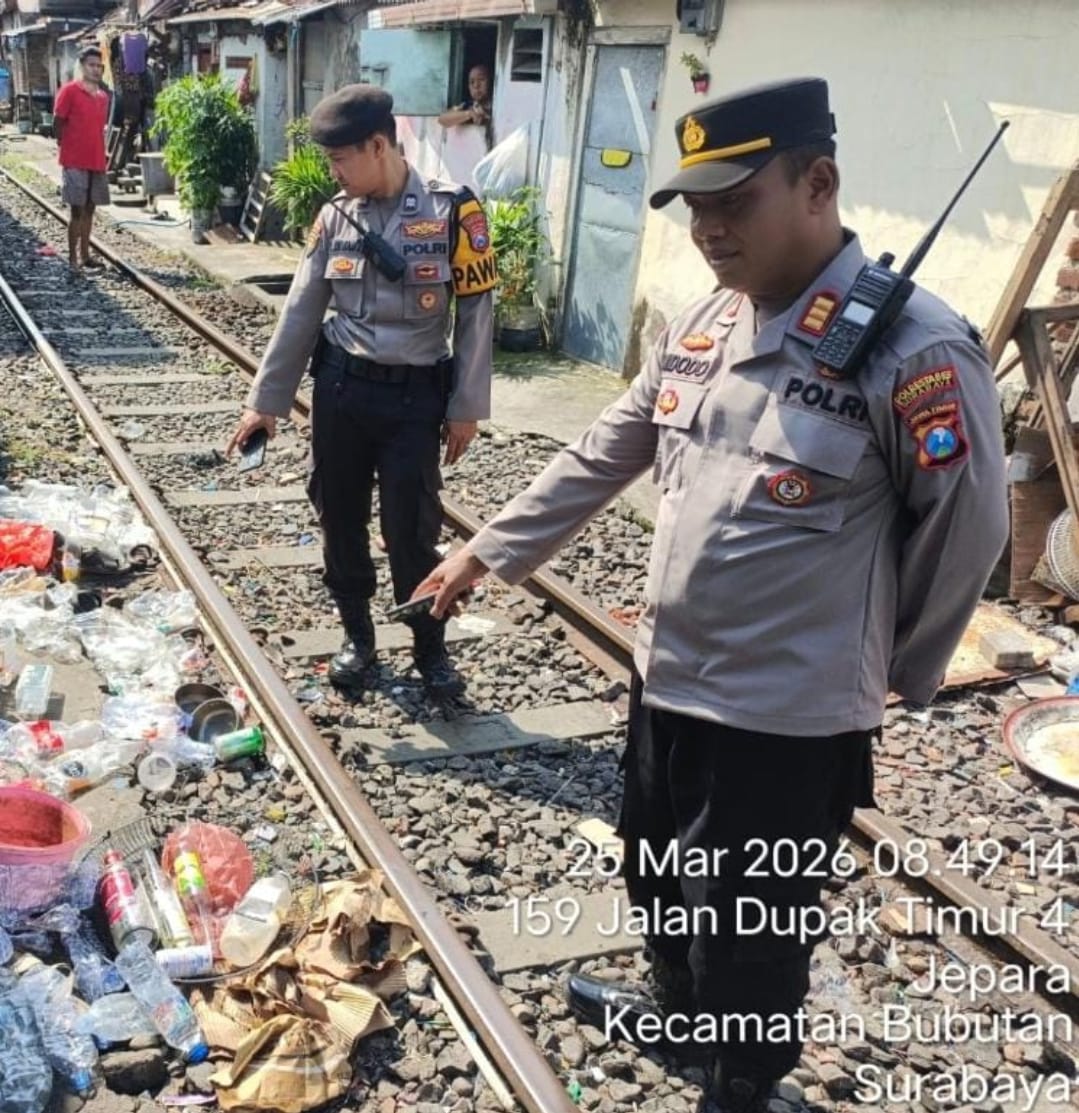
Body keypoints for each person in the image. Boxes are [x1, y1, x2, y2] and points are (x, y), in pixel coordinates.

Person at [412, 77, 1008, 1112]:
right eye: (692, 206)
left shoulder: (914, 351)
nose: (706, 229)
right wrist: (487, 553)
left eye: (732, 201)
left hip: (782, 720)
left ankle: (740, 1083)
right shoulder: (705, 322)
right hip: (668, 681)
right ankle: (680, 1015)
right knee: (657, 875)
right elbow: (607, 450)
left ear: (815, 183)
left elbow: (968, 529)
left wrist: (891, 665)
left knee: (755, 925)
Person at [226, 84, 495, 698]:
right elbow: (301, 311)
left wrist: (466, 408)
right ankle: (358, 639)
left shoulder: (456, 211)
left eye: (341, 158)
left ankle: (430, 648)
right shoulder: (333, 217)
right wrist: (265, 403)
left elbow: (478, 314)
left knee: (412, 528)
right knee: (339, 519)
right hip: (343, 393)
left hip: (415, 398)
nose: (333, 172)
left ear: (379, 145)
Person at [54, 46, 111, 271]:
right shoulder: (69, 91)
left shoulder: (103, 97)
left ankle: (86, 255)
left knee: (90, 209)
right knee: (76, 210)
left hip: (96, 159)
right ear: (82, 67)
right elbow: (58, 123)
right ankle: (72, 259)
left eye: (99, 66)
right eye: (91, 65)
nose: (96, 70)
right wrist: (64, 147)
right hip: (74, 158)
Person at [438, 64, 493, 149]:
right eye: (472, 82)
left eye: (481, 80)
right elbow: (442, 119)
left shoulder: (497, 106)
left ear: (491, 82)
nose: (476, 86)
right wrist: (469, 114)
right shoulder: (468, 106)